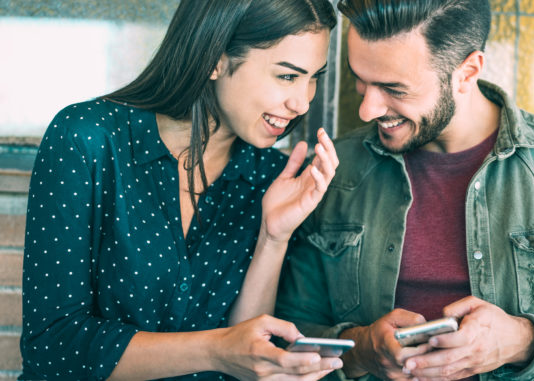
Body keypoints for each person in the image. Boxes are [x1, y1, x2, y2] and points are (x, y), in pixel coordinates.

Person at [275, 0, 534, 380]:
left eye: (395, 89)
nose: (368, 110)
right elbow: (291, 339)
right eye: (361, 83)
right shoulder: (335, 170)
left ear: (467, 71)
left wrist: (523, 342)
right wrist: (360, 348)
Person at [20, 0, 341, 379]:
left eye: (314, 77)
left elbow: (248, 356)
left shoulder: (274, 178)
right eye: (287, 76)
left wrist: (273, 237)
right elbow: (52, 346)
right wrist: (215, 350)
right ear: (215, 59)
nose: (302, 102)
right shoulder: (88, 139)